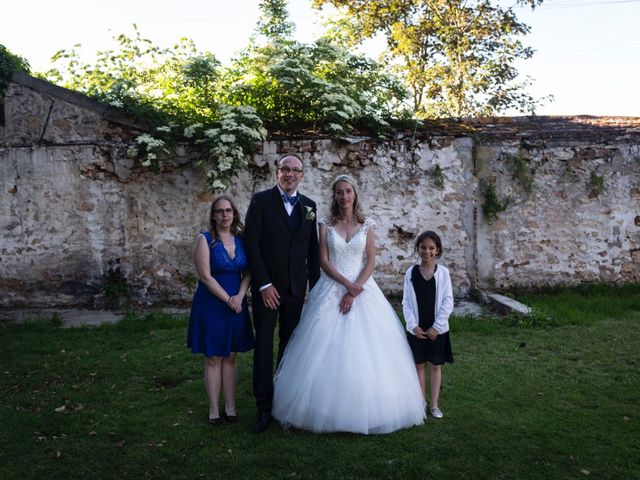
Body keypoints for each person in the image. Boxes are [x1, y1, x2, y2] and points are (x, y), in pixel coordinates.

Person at [271, 174, 425, 434]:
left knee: (369, 351)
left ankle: (371, 406)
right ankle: (321, 409)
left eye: (348, 191)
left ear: (355, 194)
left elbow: (371, 261)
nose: (344, 196)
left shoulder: (367, 225)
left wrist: (354, 291)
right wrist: (345, 284)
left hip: (362, 289)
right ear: (335, 196)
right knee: (321, 346)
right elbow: (323, 261)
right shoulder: (325, 224)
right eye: (339, 192)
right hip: (332, 287)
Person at [244, 154, 321, 433]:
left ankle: (285, 402)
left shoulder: (310, 206)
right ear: (277, 173)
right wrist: (264, 284)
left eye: (295, 170)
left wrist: (317, 288)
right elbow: (251, 243)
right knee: (264, 346)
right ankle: (263, 406)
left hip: (296, 290)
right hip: (268, 289)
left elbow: (312, 250)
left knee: (290, 348)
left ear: (302, 175)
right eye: (285, 169)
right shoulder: (261, 201)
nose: (289, 174)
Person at [186, 194, 254, 426]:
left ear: (234, 214)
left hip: (237, 301)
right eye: (220, 211)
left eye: (228, 210)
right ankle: (214, 409)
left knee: (231, 355)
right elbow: (205, 276)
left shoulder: (242, 240)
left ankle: (231, 407)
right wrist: (228, 300)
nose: (225, 215)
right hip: (213, 303)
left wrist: (240, 296)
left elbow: (248, 272)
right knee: (214, 356)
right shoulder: (205, 240)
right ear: (213, 216)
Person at [402, 230, 454, 419]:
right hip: (418, 329)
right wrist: (412, 325)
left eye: (431, 248)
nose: (427, 251)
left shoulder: (444, 274)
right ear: (418, 249)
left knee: (435, 366)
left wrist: (437, 327)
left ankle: (434, 405)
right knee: (418, 366)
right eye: (423, 247)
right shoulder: (411, 273)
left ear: (437, 250)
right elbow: (406, 302)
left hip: (435, 329)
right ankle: (420, 403)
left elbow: (448, 301)